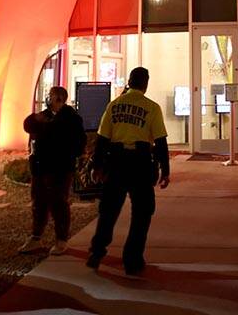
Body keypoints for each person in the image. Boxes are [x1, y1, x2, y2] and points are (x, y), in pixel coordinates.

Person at [86, 66, 171, 275]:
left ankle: (97, 252)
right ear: (145, 83)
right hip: (140, 163)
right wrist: (165, 170)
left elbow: (102, 139)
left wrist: (97, 166)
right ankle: (132, 260)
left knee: (109, 210)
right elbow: (160, 141)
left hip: (116, 161)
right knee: (142, 212)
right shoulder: (151, 107)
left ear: (129, 82)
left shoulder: (113, 105)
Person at [19, 86, 85, 256]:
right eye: (48, 96)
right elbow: (28, 125)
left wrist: (65, 152)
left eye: (52, 96)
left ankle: (61, 239)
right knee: (39, 202)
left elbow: (78, 143)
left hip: (60, 169)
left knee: (59, 202)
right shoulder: (45, 116)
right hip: (41, 167)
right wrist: (36, 118)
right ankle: (36, 236)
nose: (49, 99)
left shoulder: (71, 119)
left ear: (60, 99)